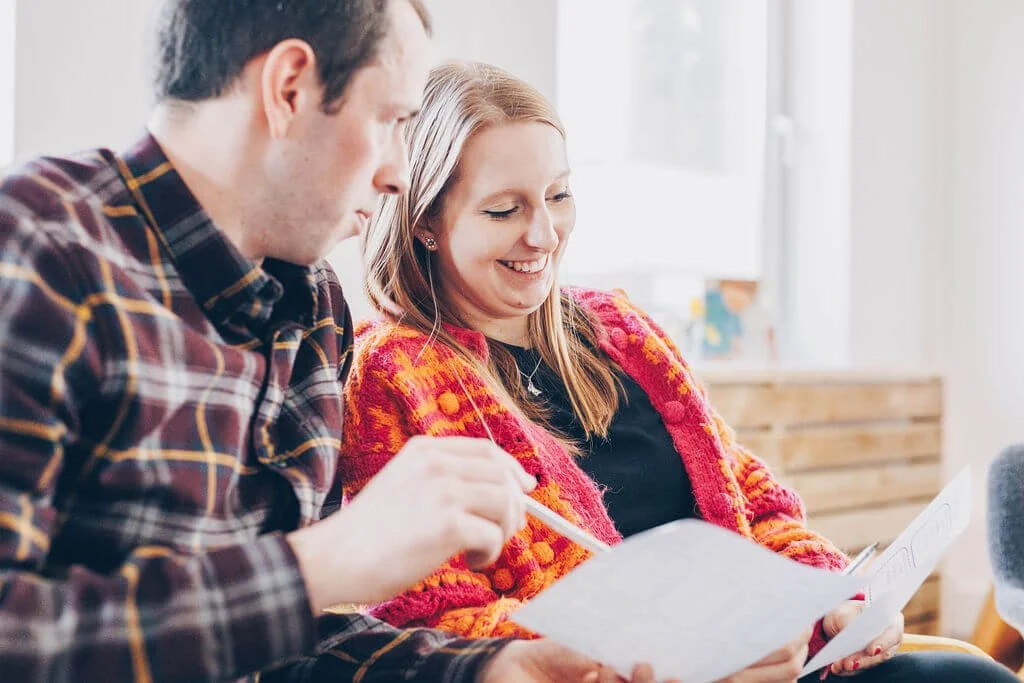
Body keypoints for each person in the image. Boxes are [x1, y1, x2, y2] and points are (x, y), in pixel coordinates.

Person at [0, 3, 648, 681]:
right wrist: (323, 562)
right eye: (393, 122)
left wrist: (488, 668)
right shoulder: (42, 247)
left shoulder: (312, 307)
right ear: (289, 90)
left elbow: (287, 639)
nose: (401, 173)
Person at [343, 61, 1021, 682]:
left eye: (558, 196)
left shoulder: (620, 328)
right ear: (426, 219)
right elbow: (426, 615)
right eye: (504, 209)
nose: (544, 234)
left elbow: (757, 505)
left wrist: (832, 597)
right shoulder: (392, 375)